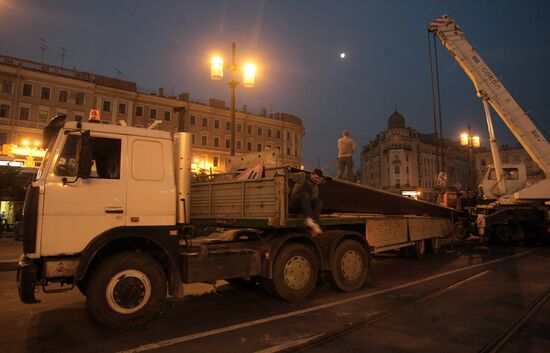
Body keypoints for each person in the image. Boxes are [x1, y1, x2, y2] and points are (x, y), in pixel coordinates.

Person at [289, 168, 328, 234]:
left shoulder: (315, 187)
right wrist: (288, 169)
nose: (317, 180)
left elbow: (312, 201)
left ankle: (314, 221)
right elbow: (289, 176)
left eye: (318, 179)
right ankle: (309, 219)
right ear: (311, 174)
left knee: (319, 200)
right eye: (316, 178)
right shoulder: (302, 176)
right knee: (304, 194)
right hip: (294, 203)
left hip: (304, 206)